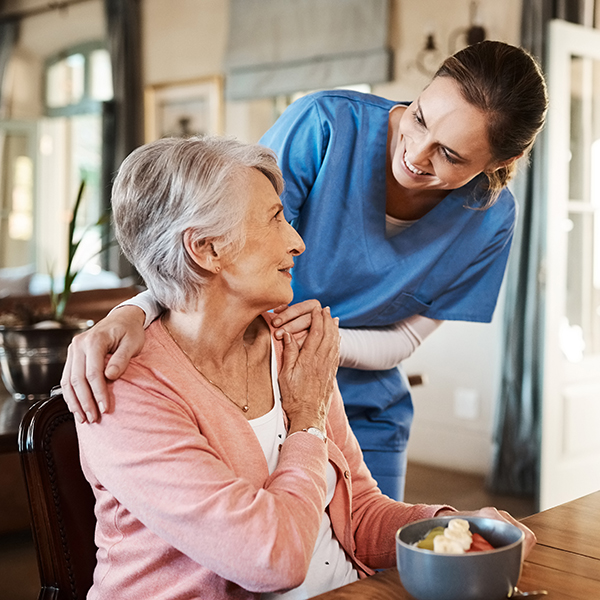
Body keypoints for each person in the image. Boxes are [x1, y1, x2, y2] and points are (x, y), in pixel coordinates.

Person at [63, 41, 548, 501]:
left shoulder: (490, 220)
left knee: (370, 568)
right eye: (419, 118)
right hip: (250, 387)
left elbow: (406, 340)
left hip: (364, 406)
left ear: (501, 162)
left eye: (450, 154)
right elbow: (213, 241)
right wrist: (135, 309)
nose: (415, 154)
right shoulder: (325, 126)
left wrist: (322, 347)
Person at [74, 135, 536, 599]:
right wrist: (308, 422)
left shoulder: (291, 348)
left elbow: (358, 515)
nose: (297, 242)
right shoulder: (123, 387)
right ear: (207, 249)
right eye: (275, 218)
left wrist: (452, 528)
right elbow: (273, 559)